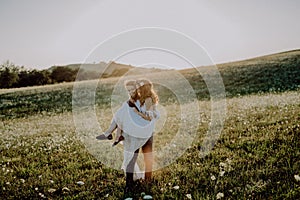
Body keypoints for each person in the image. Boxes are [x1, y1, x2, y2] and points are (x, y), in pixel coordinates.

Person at [121, 79, 159, 199]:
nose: (136, 90)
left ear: (143, 89)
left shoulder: (147, 99)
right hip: (139, 133)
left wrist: (137, 113)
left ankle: (142, 181)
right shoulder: (138, 99)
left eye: (138, 88)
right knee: (134, 158)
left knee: (146, 157)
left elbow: (149, 117)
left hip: (145, 134)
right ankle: (130, 183)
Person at [102, 80, 151, 146]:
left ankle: (111, 133)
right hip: (133, 116)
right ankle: (114, 134)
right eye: (128, 90)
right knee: (121, 111)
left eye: (132, 89)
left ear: (136, 88)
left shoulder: (141, 98)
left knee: (122, 112)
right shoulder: (132, 98)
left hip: (139, 119)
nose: (130, 92)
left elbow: (144, 112)